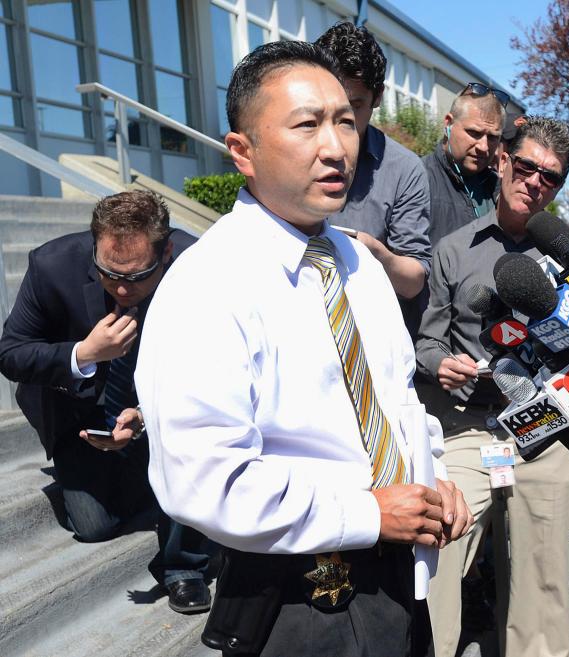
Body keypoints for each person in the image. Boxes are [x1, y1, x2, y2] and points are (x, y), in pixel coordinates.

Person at [134, 41, 470, 657]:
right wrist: (368, 514)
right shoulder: (208, 282)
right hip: (297, 598)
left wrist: (435, 481)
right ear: (243, 151)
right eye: (306, 124)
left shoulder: (358, 265)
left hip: (400, 580)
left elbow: (397, 402)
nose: (336, 146)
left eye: (345, 120)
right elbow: (207, 483)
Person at [416, 115, 569, 657]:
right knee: (437, 538)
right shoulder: (454, 249)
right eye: (528, 166)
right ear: (504, 161)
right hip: (470, 427)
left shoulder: (568, 254)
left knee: (548, 566)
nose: (535, 181)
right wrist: (440, 365)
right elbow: (426, 342)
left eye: (550, 177)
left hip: (546, 424)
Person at [0, 190, 212, 614]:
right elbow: (10, 353)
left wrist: (149, 415)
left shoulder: (200, 264)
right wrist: (83, 354)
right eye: (107, 272)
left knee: (189, 448)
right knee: (94, 526)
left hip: (173, 410)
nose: (120, 286)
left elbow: (219, 364)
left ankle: (183, 567)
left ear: (166, 251)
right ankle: (155, 485)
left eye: (137, 276)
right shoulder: (51, 265)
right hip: (81, 415)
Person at [316, 22, 431, 337]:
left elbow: (413, 280)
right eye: (330, 103)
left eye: (354, 106)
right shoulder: (290, 153)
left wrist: (373, 253)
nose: (342, 119)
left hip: (372, 335)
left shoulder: (404, 169)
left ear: (377, 96)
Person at [421, 83, 505, 245]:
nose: (484, 147)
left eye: (493, 137)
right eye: (474, 133)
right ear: (448, 124)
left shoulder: (501, 189)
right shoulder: (416, 179)